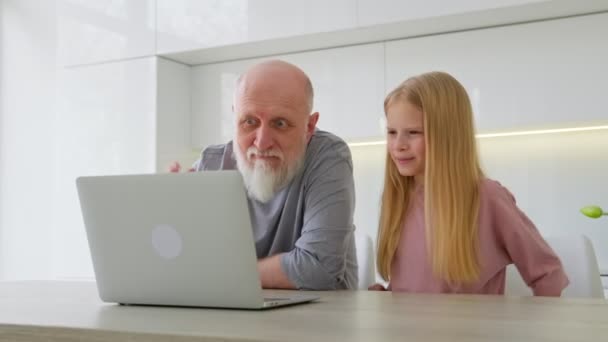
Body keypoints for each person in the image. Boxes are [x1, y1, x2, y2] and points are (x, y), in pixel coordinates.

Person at [368, 71, 569, 296]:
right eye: (392, 132)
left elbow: (549, 274)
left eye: (413, 133)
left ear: (448, 136)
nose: (398, 145)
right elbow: (419, 283)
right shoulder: (398, 199)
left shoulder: (488, 197)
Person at [172, 60, 357, 290]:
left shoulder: (328, 156)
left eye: (280, 123)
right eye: (250, 122)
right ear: (235, 117)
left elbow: (318, 268)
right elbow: (185, 264)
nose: (262, 142)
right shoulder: (212, 163)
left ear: (309, 127)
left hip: (318, 319)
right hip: (229, 316)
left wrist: (220, 273)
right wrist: (170, 217)